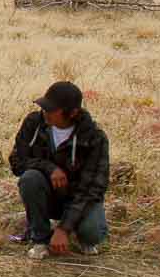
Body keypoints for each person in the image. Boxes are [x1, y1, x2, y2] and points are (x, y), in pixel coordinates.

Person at [6, 80, 110, 258]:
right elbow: (18, 162)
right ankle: (41, 240)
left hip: (78, 199)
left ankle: (75, 233)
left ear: (73, 113)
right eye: (45, 106)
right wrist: (49, 168)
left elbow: (92, 189)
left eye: (52, 109)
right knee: (30, 178)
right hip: (48, 196)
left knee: (92, 234)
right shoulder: (34, 123)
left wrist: (64, 229)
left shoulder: (94, 138)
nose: (45, 112)